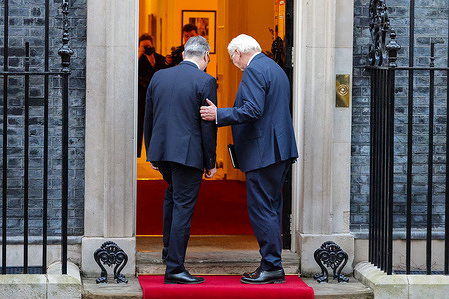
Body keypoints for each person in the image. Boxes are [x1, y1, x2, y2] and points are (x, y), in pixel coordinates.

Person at [200, 34, 298, 284]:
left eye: (232, 58)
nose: (234, 63)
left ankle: (272, 266)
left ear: (237, 53)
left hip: (263, 152)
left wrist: (217, 114)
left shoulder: (254, 70)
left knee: (261, 209)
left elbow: (253, 110)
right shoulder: (273, 67)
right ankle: (270, 264)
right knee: (272, 207)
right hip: (279, 150)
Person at [144, 35, 217, 284]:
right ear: (205, 56)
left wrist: (151, 150)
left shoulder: (159, 76)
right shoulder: (206, 80)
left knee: (172, 196)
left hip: (162, 151)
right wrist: (211, 162)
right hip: (188, 156)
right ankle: (175, 268)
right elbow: (208, 125)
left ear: (184, 53)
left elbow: (149, 116)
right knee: (183, 207)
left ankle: (168, 252)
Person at [137, 34, 169, 157]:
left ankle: (156, 153)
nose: (146, 49)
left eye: (148, 46)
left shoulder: (159, 59)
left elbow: (162, 76)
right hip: (140, 98)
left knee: (157, 126)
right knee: (139, 126)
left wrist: (153, 62)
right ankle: (137, 153)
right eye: (143, 46)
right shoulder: (136, 59)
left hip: (157, 99)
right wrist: (139, 55)